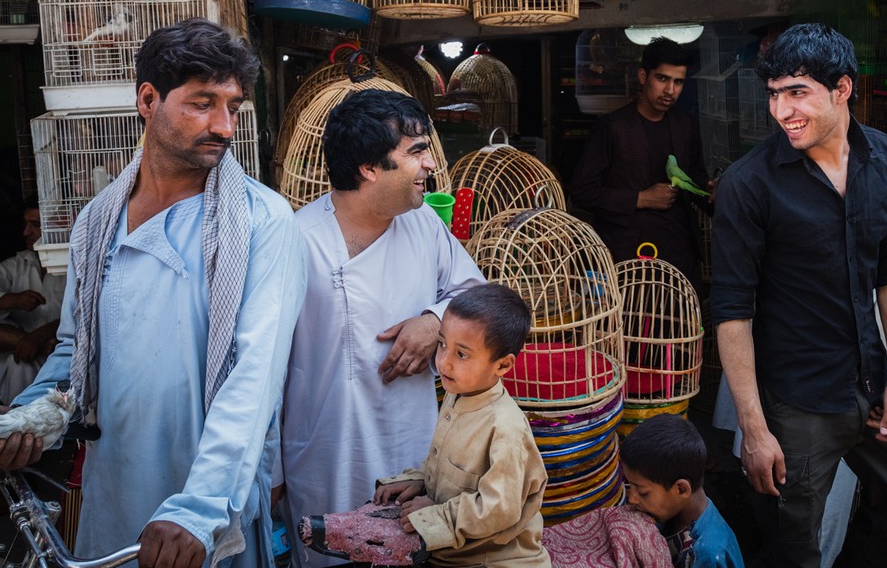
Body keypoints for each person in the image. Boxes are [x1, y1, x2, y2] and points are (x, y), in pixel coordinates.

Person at [0, 18, 308, 568]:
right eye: (203, 102)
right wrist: (26, 418)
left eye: (233, 106)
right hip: (113, 491)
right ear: (148, 100)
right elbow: (75, 351)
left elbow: (255, 379)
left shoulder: (262, 221)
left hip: (204, 508)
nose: (224, 126)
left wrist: (198, 510)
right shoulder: (96, 221)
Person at [711, 23, 887, 568]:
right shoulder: (749, 183)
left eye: (797, 92)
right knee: (794, 545)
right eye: (774, 95)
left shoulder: (883, 157)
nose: (782, 111)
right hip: (799, 402)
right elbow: (732, 312)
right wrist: (755, 430)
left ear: (842, 89)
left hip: (874, 386)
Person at [277, 88, 486, 568]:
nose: (431, 164)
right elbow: (260, 370)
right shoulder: (295, 240)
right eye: (416, 152)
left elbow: (475, 297)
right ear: (369, 167)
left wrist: (434, 320)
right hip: (324, 457)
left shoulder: (425, 227)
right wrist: (268, 472)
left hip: (410, 453)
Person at [373, 284, 549, 568]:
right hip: (449, 552)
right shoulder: (457, 393)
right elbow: (456, 470)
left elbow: (499, 508)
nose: (444, 362)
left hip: (493, 561)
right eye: (442, 344)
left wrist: (437, 515)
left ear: (503, 366)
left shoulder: (506, 428)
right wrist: (420, 480)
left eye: (462, 354)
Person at [569, 37, 709, 289]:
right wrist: (640, 198)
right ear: (643, 76)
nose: (670, 91)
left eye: (678, 82)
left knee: (683, 326)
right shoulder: (612, 127)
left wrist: (713, 194)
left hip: (680, 255)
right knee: (632, 326)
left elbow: (695, 179)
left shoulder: (685, 124)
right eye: (662, 79)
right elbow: (582, 192)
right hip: (628, 258)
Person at [0, 197, 66, 406]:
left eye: (35, 225)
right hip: (28, 350)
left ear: (58, 227)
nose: (26, 232)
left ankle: (20, 424)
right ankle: (22, 342)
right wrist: (10, 300)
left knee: (21, 362)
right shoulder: (16, 265)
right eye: (25, 224)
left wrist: (41, 335)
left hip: (63, 353)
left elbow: (86, 313)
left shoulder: (74, 264)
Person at [620, 414, 744, 568]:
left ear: (681, 489)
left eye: (643, 492)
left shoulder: (708, 554)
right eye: (629, 485)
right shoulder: (672, 510)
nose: (632, 498)